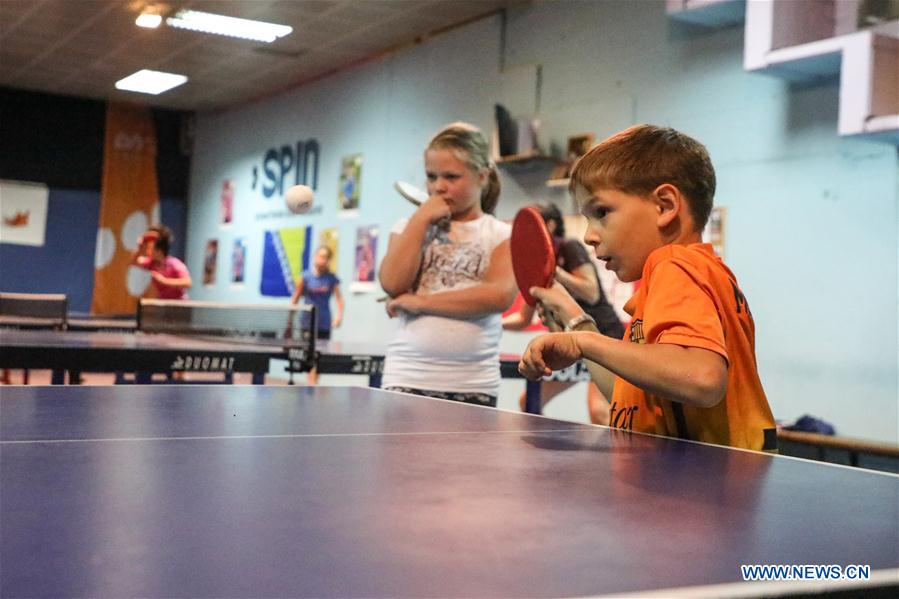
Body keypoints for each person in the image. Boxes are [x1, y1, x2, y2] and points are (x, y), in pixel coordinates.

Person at [519, 125, 776, 451]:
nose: (589, 235)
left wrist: (583, 342)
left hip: (701, 491)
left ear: (665, 206)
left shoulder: (674, 264)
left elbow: (702, 379)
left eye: (601, 213)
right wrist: (575, 319)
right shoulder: (693, 273)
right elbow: (633, 399)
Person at [379, 122, 517, 407]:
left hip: (473, 382)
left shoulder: (501, 233)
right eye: (431, 176)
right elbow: (393, 283)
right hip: (407, 376)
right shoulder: (408, 227)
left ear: (482, 177)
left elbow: (498, 296)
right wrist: (420, 220)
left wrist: (419, 302)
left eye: (451, 176)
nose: (438, 186)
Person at [503, 203, 625, 423]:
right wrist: (492, 322)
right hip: (573, 345)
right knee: (529, 403)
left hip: (605, 335)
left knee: (599, 411)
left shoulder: (570, 247)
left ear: (549, 225)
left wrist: (554, 271)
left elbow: (591, 292)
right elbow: (523, 318)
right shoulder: (536, 268)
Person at [290, 245, 344, 384]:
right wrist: (289, 318)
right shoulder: (305, 277)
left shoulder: (332, 279)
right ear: (315, 257)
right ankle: (312, 385)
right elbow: (295, 298)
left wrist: (339, 316)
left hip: (324, 322)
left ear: (329, 260)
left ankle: (313, 386)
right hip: (307, 322)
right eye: (320, 255)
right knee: (310, 356)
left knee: (319, 358)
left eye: (325, 257)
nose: (322, 259)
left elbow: (339, 299)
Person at [131, 224, 191, 299]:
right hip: (163, 305)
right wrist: (140, 246)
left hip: (179, 306)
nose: (147, 250)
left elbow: (187, 282)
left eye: (150, 247)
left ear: (159, 250)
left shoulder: (174, 264)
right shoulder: (151, 263)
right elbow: (133, 262)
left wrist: (163, 281)